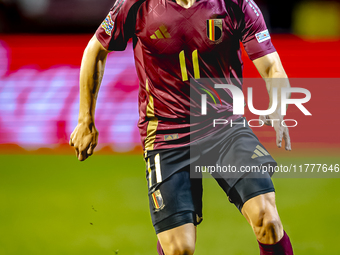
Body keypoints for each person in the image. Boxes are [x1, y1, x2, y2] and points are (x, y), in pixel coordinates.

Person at [69, 0, 294, 254]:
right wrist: (85, 120)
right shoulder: (136, 5)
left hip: (225, 127)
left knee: (268, 220)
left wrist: (278, 105)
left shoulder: (236, 4)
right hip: (166, 134)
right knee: (180, 249)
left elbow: (272, 65)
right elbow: (94, 50)